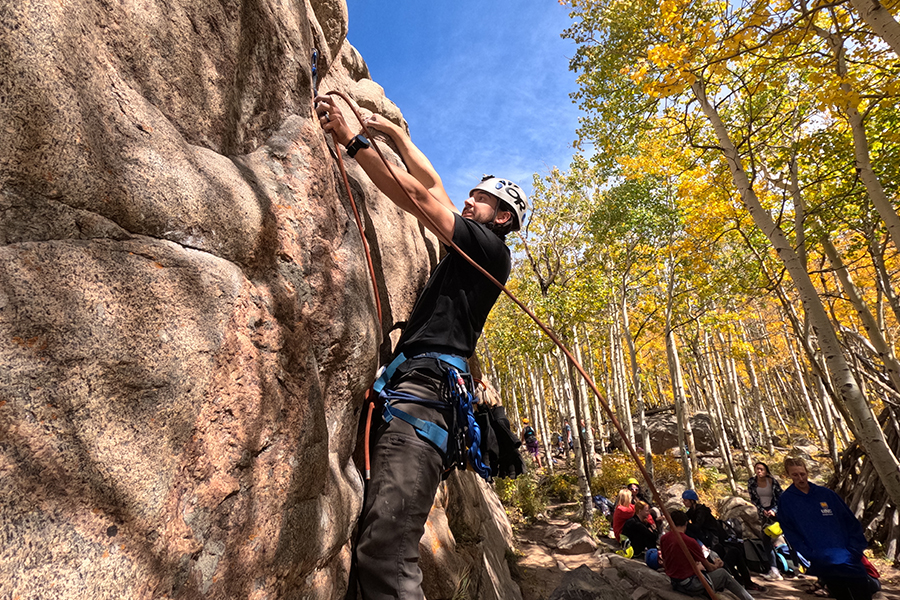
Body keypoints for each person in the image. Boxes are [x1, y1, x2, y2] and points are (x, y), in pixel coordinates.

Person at [315, 99, 529, 600]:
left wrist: (355, 143)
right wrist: (396, 134)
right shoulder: (476, 245)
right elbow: (434, 186)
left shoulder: (489, 249)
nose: (467, 203)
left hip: (425, 397)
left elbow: (419, 198)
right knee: (381, 542)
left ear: (500, 217)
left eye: (478, 201)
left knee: (387, 550)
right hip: (418, 390)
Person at [779, 456, 873, 600]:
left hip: (848, 557)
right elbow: (791, 533)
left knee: (863, 595)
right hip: (824, 560)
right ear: (788, 475)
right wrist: (810, 553)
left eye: (802, 474)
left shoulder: (826, 494)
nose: (800, 478)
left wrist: (855, 549)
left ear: (807, 472)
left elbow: (850, 521)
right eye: (795, 475)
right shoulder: (787, 500)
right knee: (841, 595)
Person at [660, 510, 755, 600]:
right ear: (686, 523)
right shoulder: (688, 541)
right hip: (689, 585)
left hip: (675, 582)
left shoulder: (664, 539)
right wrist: (716, 566)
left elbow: (666, 562)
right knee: (723, 574)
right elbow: (709, 567)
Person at [682, 490, 764, 593]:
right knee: (727, 559)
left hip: (713, 538)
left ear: (692, 501)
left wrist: (685, 523)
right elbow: (685, 518)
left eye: (685, 500)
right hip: (707, 539)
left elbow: (697, 526)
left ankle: (744, 582)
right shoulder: (692, 511)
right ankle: (742, 582)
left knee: (725, 558)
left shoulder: (701, 511)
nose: (684, 502)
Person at [748, 461, 785, 581]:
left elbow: (781, 497)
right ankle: (774, 570)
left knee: (788, 538)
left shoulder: (772, 481)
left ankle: (796, 567)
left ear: (766, 470)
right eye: (757, 469)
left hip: (777, 514)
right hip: (764, 515)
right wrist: (762, 510)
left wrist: (774, 510)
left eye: (761, 469)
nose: (759, 471)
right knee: (766, 541)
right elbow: (754, 499)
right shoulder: (751, 482)